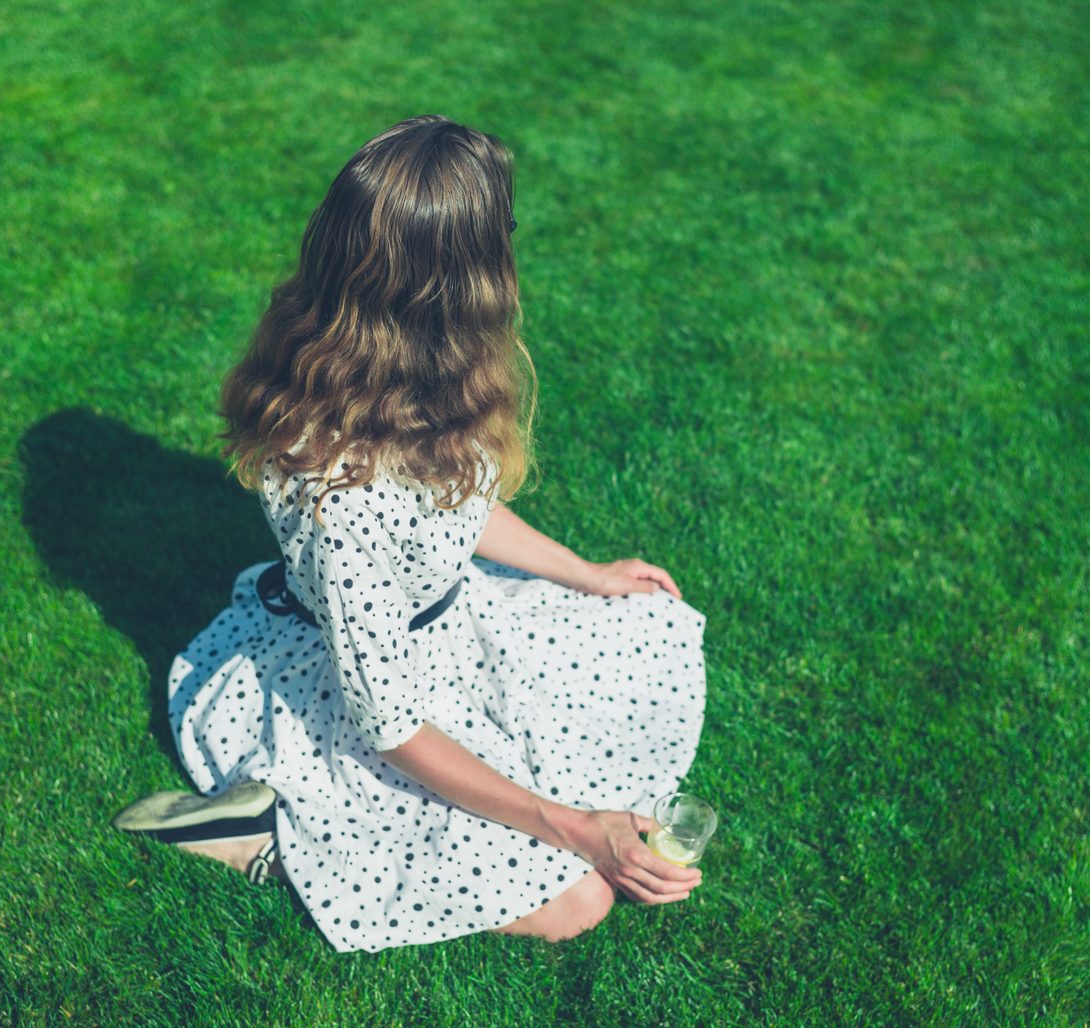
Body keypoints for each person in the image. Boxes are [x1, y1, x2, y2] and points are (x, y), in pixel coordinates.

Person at [112, 115, 708, 953]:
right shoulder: (343, 499)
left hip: (439, 634)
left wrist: (584, 573)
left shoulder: (399, 369)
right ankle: (262, 834)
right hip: (367, 707)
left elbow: (452, 508)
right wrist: (574, 830)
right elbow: (391, 725)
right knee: (577, 904)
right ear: (459, 283)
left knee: (644, 623)